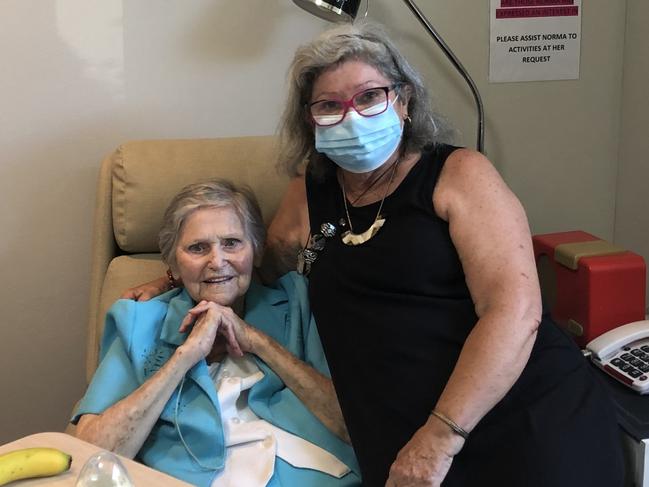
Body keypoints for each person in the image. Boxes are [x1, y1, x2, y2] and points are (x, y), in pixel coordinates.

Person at [123, 22, 624, 487]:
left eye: (370, 96)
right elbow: (250, 264)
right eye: (329, 105)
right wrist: (174, 276)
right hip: (397, 441)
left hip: (521, 423)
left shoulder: (458, 175)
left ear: (403, 102)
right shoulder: (309, 192)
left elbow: (514, 312)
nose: (351, 115)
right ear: (310, 120)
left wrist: (439, 438)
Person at [72, 179, 361, 487]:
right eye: (198, 248)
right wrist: (185, 357)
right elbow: (91, 455)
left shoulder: (299, 301)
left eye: (232, 243)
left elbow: (351, 424)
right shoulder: (138, 321)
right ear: (173, 263)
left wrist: (257, 341)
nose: (217, 261)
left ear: (257, 251)